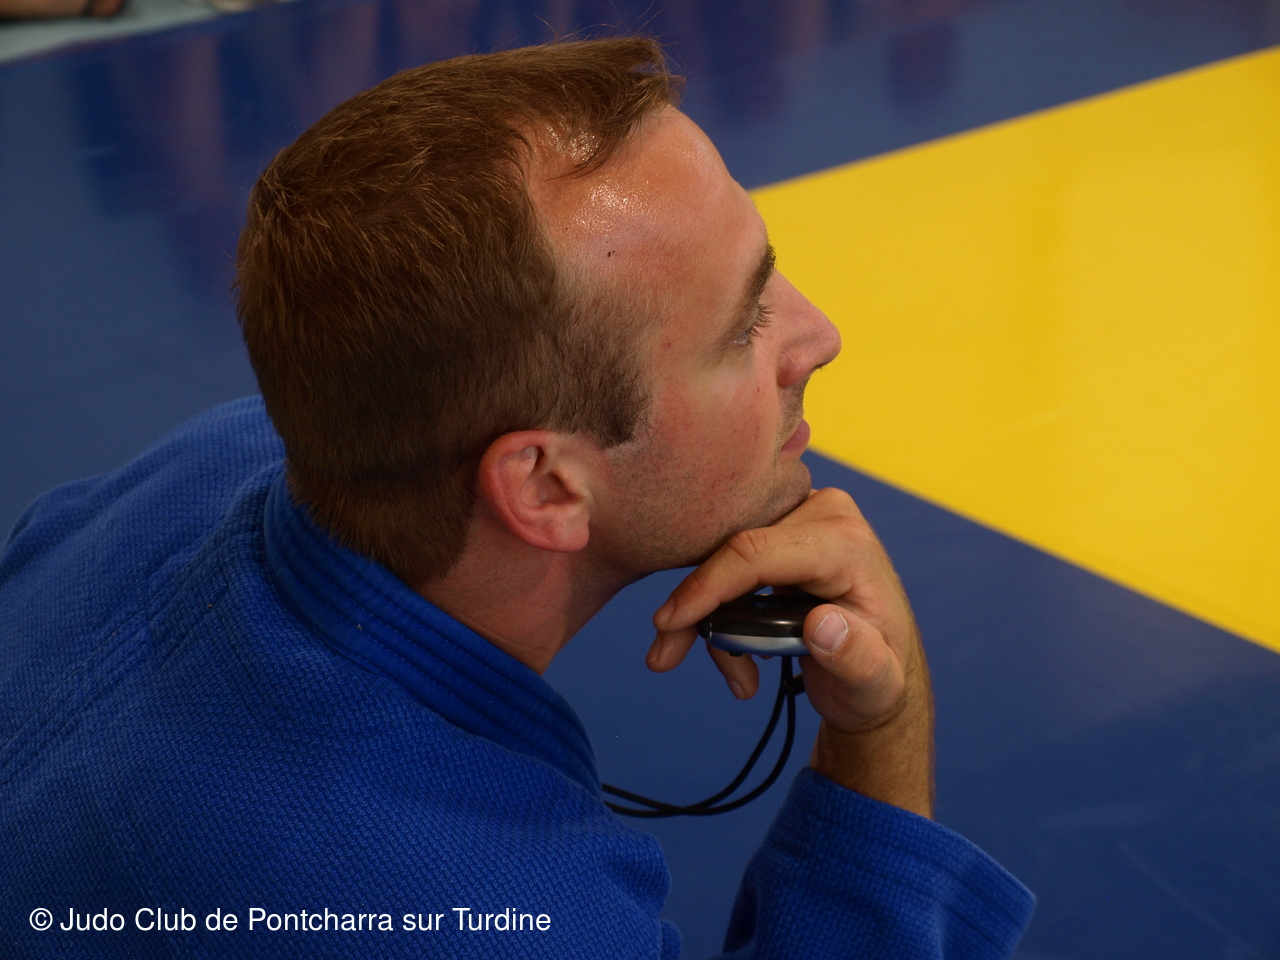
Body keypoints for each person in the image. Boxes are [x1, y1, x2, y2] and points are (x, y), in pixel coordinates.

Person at [0, 38, 1033, 958]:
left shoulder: (205, 461)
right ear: (544, 486)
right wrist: (882, 732)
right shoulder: (478, 909)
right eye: (743, 326)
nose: (820, 337)